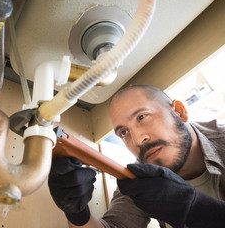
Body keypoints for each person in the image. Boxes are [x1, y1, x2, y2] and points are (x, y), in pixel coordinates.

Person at [48, 85, 225, 228]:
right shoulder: (139, 178)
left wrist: (194, 207)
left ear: (179, 111)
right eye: (124, 132)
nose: (139, 140)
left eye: (142, 117)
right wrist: (78, 214)